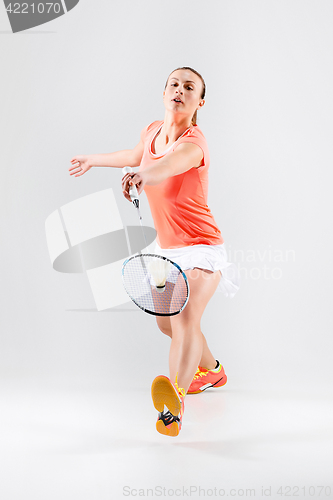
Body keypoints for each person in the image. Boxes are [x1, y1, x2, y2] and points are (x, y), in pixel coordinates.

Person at [69, 67, 240, 437]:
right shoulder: (151, 132)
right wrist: (94, 160)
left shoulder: (195, 143)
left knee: (182, 319)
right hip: (170, 250)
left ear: (199, 102)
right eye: (174, 84)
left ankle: (173, 403)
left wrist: (146, 175)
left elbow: (170, 165)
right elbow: (135, 154)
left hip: (202, 248)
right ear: (164, 92)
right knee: (168, 323)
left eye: (189, 87)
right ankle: (211, 370)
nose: (180, 90)